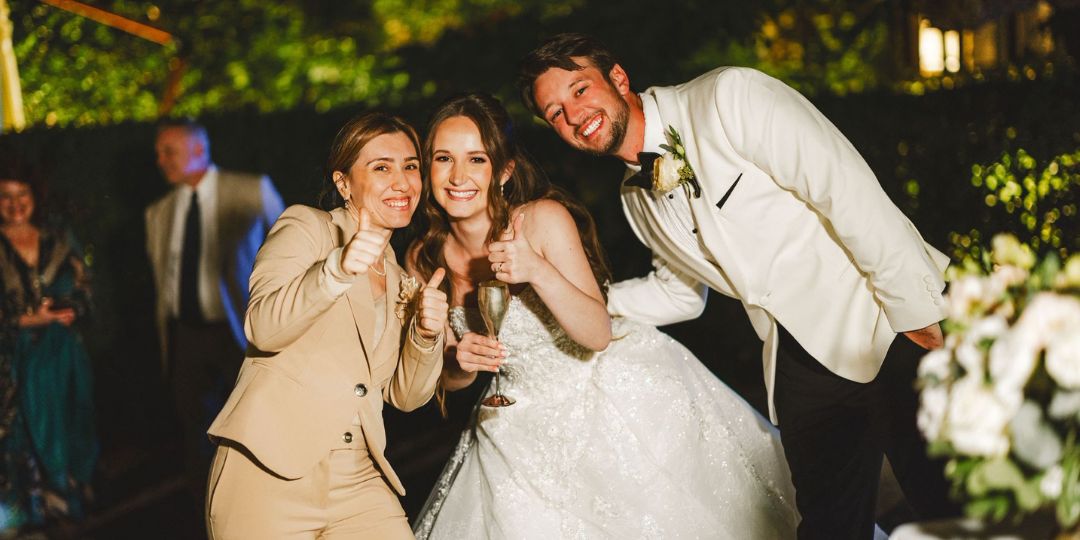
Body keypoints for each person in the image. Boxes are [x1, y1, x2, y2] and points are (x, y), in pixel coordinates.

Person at [518, 33, 957, 539]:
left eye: (579, 90)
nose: (574, 115)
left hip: (884, 323)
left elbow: (847, 190)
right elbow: (680, 294)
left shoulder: (730, 97)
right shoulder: (635, 200)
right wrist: (573, 300)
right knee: (829, 527)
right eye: (555, 113)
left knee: (955, 505)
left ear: (617, 78)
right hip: (795, 362)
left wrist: (917, 314)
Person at [409, 93, 798, 539]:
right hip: (517, 425)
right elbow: (448, 379)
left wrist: (537, 270)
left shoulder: (541, 220)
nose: (458, 176)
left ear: (504, 171)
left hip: (610, 397)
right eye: (443, 158)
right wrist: (460, 362)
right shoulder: (423, 257)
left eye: (476, 159)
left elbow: (597, 333)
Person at [205, 111, 449, 539]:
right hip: (268, 472)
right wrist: (336, 271)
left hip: (360, 478)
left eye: (410, 166)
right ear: (343, 183)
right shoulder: (308, 228)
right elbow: (262, 327)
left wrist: (425, 337)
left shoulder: (400, 278)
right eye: (381, 168)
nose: (402, 182)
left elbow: (406, 396)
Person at [144, 118, 284, 498]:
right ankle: (208, 508)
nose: (160, 160)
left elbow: (291, 251)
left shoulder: (250, 191)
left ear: (199, 150)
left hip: (240, 329)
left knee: (257, 419)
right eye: (158, 153)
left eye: (169, 151)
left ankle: (269, 499)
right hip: (186, 335)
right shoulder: (158, 212)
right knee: (196, 429)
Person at [0, 173, 97, 530]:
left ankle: (72, 497)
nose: (15, 204)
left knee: (74, 417)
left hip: (63, 352)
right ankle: (39, 509)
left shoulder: (57, 238)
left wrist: (69, 309)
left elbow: (85, 286)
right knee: (28, 431)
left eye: (22, 194)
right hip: (15, 360)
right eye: (5, 196)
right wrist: (29, 319)